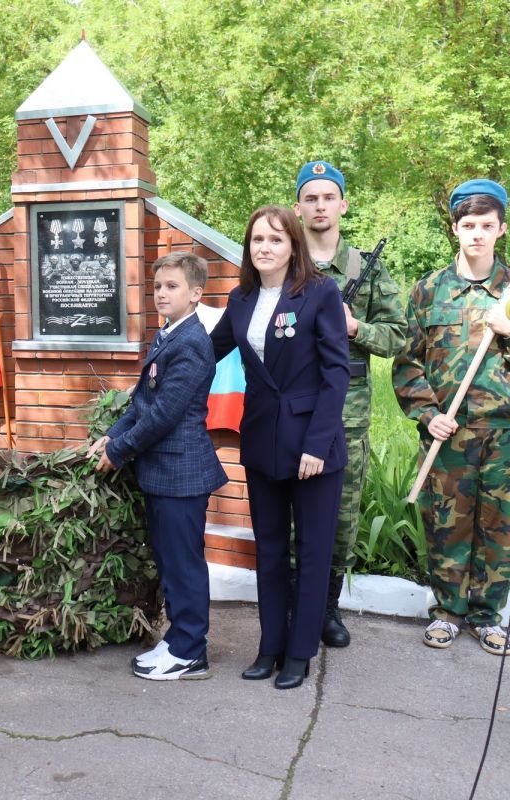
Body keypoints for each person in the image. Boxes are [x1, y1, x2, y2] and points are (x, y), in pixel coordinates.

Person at [209, 205, 350, 689]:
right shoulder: (242, 298)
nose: (264, 248)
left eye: (274, 239)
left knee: (311, 552)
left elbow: (336, 375)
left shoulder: (320, 293)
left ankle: (300, 652)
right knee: (268, 549)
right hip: (263, 441)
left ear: (294, 245)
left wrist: (317, 443)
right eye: (256, 241)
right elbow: (205, 350)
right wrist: (158, 368)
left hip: (313, 447)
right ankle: (270, 645)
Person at [87, 251, 227, 680]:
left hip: (181, 473)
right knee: (170, 559)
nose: (162, 294)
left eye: (172, 287)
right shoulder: (168, 334)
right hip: (164, 473)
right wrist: (112, 433)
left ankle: (190, 651)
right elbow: (142, 400)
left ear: (196, 294)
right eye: (158, 287)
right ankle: (177, 638)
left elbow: (164, 414)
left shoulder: (192, 343)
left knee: (183, 563)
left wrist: (119, 450)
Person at [393, 179, 510, 657]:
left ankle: (488, 616)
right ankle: (446, 612)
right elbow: (407, 362)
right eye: (468, 225)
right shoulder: (427, 290)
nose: (477, 234)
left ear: (501, 229)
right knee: (446, 525)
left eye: (486, 225)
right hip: (448, 434)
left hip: (504, 433)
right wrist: (427, 413)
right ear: (455, 228)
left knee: (498, 527)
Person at [293, 161, 407, 647]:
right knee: (293, 516)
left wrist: (356, 327)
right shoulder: (285, 263)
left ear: (342, 204)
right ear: (298, 207)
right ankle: (295, 607)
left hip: (349, 417)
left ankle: (327, 608)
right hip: (294, 409)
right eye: (310, 198)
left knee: (341, 518)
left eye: (328, 197)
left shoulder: (367, 267)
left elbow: (401, 336)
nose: (320, 206)